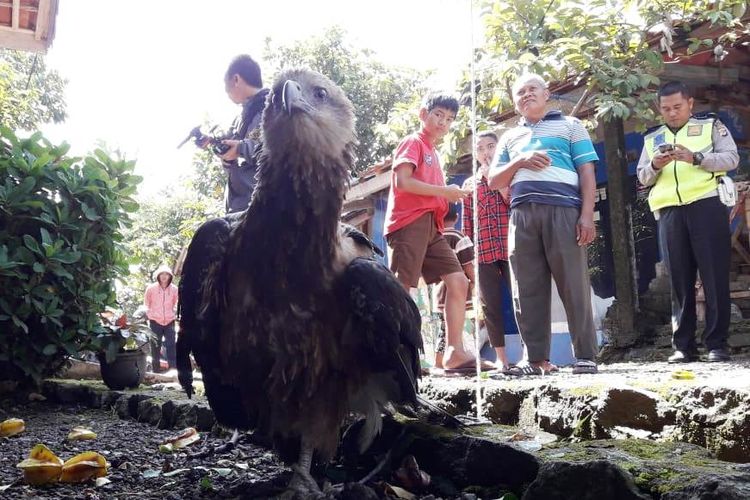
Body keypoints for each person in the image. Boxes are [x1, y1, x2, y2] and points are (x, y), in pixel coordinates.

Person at [489, 73, 599, 375]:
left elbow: (587, 173)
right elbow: (493, 180)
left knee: (574, 284)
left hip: (564, 211)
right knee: (525, 288)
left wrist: (587, 215)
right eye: (520, 92)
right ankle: (536, 359)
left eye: (532, 89)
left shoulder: (571, 126)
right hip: (522, 215)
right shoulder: (510, 137)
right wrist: (520, 161)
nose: (526, 95)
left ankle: (586, 356)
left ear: (546, 93)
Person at [636, 81, 739, 363]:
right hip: (670, 211)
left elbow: (731, 158)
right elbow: (642, 176)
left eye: (677, 107)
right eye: (666, 108)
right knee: (679, 279)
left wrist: (696, 158)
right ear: (659, 109)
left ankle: (717, 344)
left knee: (713, 275)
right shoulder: (652, 138)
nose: (672, 113)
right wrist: (656, 165)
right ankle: (683, 346)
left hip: (706, 204)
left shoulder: (711, 125)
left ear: (690, 104)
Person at [383, 92, 478, 371]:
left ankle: (455, 352)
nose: (443, 122)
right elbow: (403, 181)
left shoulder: (433, 152)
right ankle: (399, 356)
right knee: (404, 288)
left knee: (459, 281)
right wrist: (445, 191)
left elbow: (431, 191)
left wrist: (449, 195)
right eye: (438, 115)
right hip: (408, 221)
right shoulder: (413, 142)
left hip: (432, 226)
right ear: (423, 114)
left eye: (449, 119)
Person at [462, 131, 513, 370]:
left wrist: (498, 180)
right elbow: (467, 227)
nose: (486, 153)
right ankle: (502, 360)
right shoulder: (469, 185)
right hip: (483, 253)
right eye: (480, 148)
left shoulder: (511, 175)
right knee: (490, 307)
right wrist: (468, 264)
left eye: (491, 146)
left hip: (512, 247)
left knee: (522, 301)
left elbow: (516, 206)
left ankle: (532, 356)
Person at [219, 54, 270, 214]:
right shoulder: (238, 120)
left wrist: (241, 149)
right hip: (238, 207)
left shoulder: (274, 109)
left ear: (235, 79)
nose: (226, 93)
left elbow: (280, 152)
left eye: (225, 86)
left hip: (264, 206)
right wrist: (223, 153)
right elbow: (235, 159)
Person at [433, 203, 476, 370]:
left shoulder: (435, 238)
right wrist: (474, 283)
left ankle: (439, 361)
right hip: (459, 293)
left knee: (443, 329)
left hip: (439, 292)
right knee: (459, 329)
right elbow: (468, 266)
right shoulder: (459, 237)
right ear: (456, 218)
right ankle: (453, 359)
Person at [144, 264, 179, 372]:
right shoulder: (151, 288)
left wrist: (173, 313)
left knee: (171, 345)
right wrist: (150, 314)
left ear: (170, 276)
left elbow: (176, 303)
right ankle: (156, 370)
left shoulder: (174, 289)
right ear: (158, 276)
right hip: (155, 321)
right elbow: (146, 303)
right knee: (155, 346)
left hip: (169, 321)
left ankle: (172, 369)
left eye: (167, 274)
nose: (164, 276)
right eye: (162, 274)